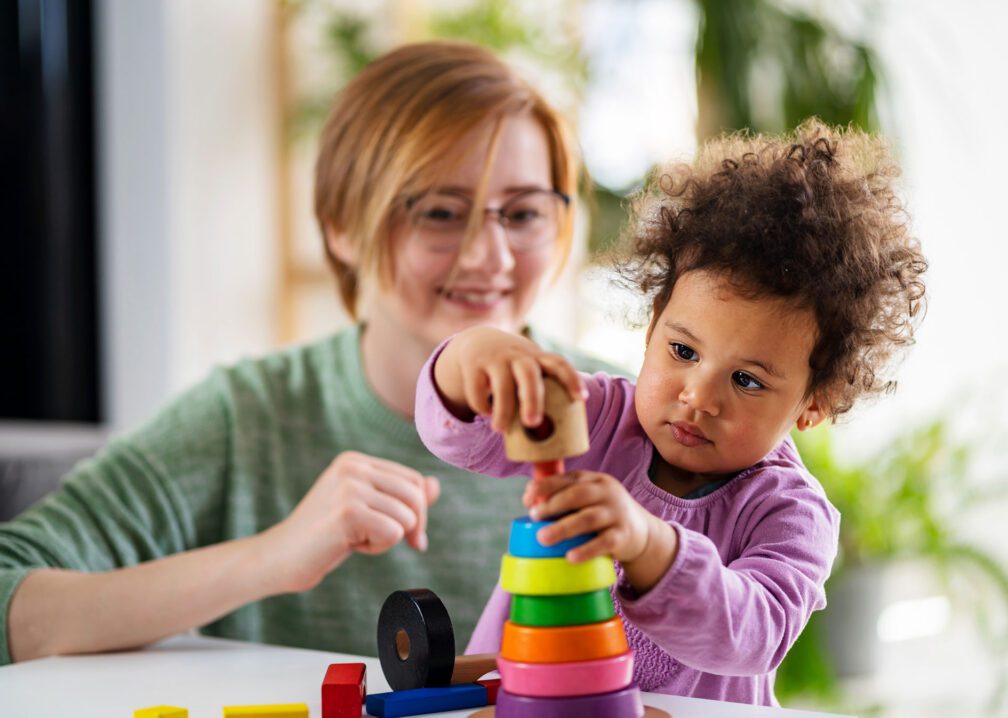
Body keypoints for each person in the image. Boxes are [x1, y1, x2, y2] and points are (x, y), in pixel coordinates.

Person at [0, 40, 622, 666]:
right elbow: (10, 597)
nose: (492, 256)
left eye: (523, 213)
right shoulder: (244, 419)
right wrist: (271, 556)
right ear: (341, 226)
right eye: (440, 212)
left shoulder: (634, 421)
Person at [415, 119, 928, 706]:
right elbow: (461, 438)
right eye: (683, 352)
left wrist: (649, 547)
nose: (698, 397)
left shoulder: (790, 513)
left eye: (746, 380)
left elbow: (755, 633)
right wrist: (472, 358)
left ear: (813, 404)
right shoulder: (601, 418)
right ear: (653, 326)